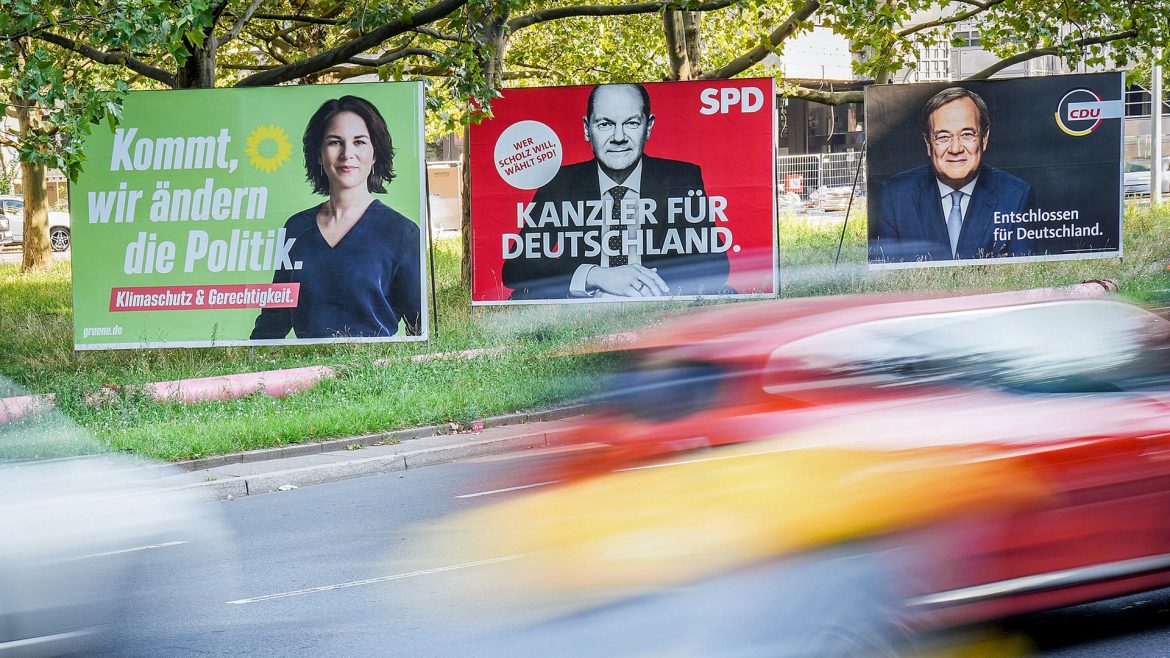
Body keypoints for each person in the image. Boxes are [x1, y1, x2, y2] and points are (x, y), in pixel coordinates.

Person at [501, 83, 731, 300]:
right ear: (587, 128)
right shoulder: (560, 182)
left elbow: (715, 265)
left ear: (648, 127)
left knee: (726, 293)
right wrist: (595, 277)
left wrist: (634, 287)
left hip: (654, 303)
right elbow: (516, 269)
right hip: (582, 306)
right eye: (605, 124)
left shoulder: (680, 178)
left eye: (631, 123)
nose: (619, 137)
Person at [251, 95, 421, 339]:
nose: (347, 153)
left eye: (359, 142)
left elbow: (419, 325)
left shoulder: (402, 232)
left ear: (375, 153)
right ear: (319, 154)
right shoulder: (296, 229)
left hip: (374, 369)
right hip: (306, 370)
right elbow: (274, 318)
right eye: (335, 142)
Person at [870, 86, 1034, 263]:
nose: (955, 149)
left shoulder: (1016, 194)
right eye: (943, 137)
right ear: (928, 143)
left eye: (967, 134)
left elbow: (1021, 273)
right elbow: (886, 273)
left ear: (984, 138)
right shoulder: (895, 196)